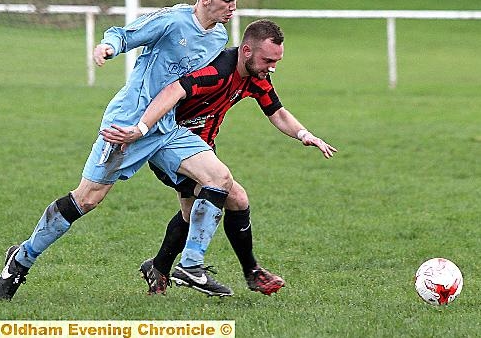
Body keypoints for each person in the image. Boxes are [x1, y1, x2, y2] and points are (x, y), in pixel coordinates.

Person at [0, 0, 246, 301]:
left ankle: (190, 265)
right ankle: (21, 259)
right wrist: (108, 47)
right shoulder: (173, 20)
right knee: (87, 199)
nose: (233, 8)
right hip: (126, 125)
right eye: (227, 1)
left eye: (236, 1)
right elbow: (125, 34)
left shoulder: (217, 36)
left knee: (219, 179)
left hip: (166, 129)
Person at [100, 20, 337, 297]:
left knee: (191, 215)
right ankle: (244, 272)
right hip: (171, 148)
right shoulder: (214, 71)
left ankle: (159, 268)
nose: (271, 67)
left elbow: (277, 111)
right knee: (234, 196)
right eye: (268, 59)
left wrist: (304, 134)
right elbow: (173, 91)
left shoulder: (256, 76)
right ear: (246, 50)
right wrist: (141, 128)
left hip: (202, 150)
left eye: (276, 61)